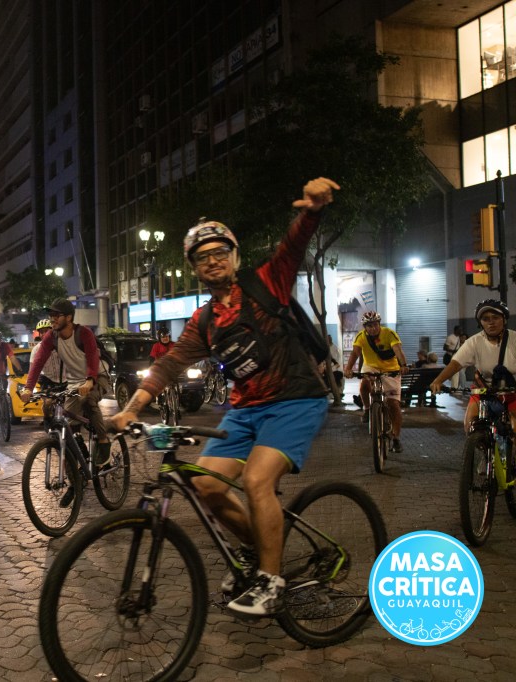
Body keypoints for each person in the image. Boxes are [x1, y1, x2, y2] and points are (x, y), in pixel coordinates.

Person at [110, 177, 339, 618]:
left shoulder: (266, 282)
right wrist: (131, 409)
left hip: (294, 399)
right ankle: (261, 550)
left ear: (235, 257)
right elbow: (169, 364)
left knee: (256, 481)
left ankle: (272, 582)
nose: (213, 261)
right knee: (204, 483)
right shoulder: (205, 320)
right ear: (194, 268)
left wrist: (312, 211)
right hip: (246, 407)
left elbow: (292, 246)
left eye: (220, 253)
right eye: (203, 257)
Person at [21, 297, 111, 482]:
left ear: (69, 317)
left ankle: (103, 440)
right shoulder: (51, 337)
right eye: (50, 314)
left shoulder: (83, 333)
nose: (52, 318)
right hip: (75, 382)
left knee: (88, 400)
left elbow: (93, 356)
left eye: (56, 315)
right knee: (67, 428)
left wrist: (90, 380)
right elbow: (38, 363)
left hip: (97, 376)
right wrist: (28, 388)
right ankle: (75, 482)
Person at [431, 300, 516, 432]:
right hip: (484, 390)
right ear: (480, 322)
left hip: (512, 392)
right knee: (470, 425)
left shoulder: (514, 339)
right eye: (485, 319)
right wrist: (438, 380)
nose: (491, 322)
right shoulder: (474, 342)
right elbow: (456, 363)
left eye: (495, 317)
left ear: (504, 319)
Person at [344, 310, 408, 453]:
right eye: (369, 326)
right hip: (371, 366)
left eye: (374, 325)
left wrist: (403, 365)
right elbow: (355, 353)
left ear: (379, 324)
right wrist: (348, 369)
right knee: (364, 385)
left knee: (393, 404)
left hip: (391, 369)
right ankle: (367, 409)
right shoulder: (360, 337)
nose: (372, 328)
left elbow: (397, 350)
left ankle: (396, 437)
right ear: (364, 327)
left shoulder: (389, 333)